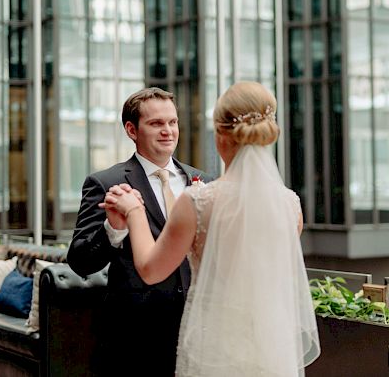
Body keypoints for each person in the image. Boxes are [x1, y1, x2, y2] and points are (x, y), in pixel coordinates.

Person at [104, 81, 321, 376]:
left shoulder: (199, 200)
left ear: (220, 135)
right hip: (272, 342)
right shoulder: (290, 205)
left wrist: (134, 211)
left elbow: (151, 270)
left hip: (215, 341)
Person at [67, 87, 212, 377]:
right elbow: (81, 260)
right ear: (132, 130)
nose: (168, 131)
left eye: (172, 122)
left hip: (199, 328)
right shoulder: (105, 182)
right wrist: (113, 229)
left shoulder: (203, 181)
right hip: (135, 336)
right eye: (156, 124)